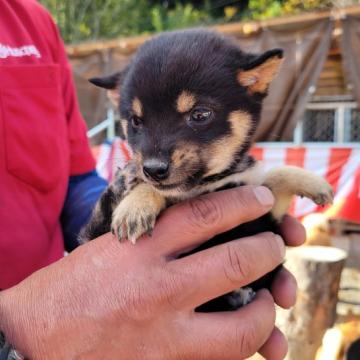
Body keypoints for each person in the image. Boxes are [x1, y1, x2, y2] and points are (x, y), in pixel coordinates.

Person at [0, 1, 304, 359]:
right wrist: (17, 334)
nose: (154, 157)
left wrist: (135, 232)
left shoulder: (33, 22)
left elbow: (74, 182)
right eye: (138, 123)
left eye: (198, 115)